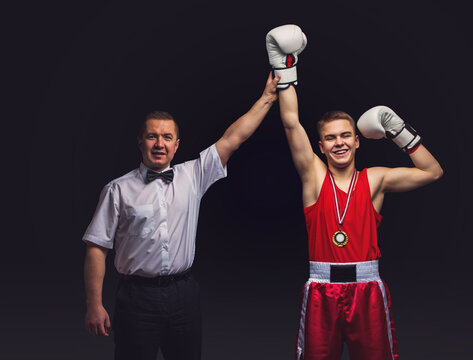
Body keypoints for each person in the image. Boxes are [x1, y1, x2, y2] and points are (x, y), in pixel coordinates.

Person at [265, 25, 443, 360]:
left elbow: (432, 172)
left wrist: (399, 132)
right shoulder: (314, 177)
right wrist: (283, 65)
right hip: (321, 291)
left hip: (367, 292)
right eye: (331, 138)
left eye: (345, 136)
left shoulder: (375, 180)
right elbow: (291, 122)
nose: (339, 143)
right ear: (321, 146)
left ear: (357, 140)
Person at [82, 73, 280, 360]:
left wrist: (268, 98)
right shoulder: (118, 190)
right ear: (140, 142)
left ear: (176, 144)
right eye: (152, 136)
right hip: (136, 298)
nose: (159, 144)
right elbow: (96, 248)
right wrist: (93, 304)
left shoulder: (193, 175)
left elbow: (234, 138)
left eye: (167, 137)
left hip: (184, 295)